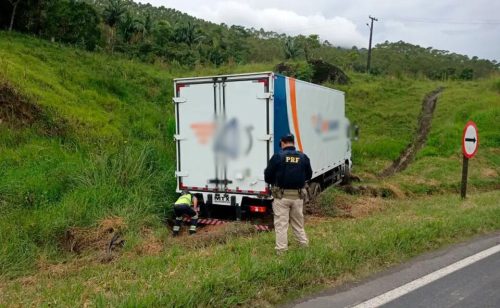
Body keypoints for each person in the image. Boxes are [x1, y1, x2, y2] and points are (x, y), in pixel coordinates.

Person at [264, 134, 312, 254]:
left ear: (282, 143)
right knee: (298, 224)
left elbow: (268, 176)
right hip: (298, 197)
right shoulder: (303, 157)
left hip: (282, 197)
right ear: (293, 143)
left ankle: (281, 252)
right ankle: (304, 247)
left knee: (281, 226)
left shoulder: (277, 157)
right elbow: (309, 175)